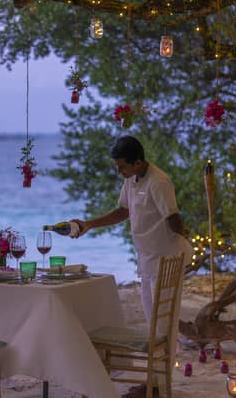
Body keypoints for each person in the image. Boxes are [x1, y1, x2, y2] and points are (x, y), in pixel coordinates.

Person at [71, 135, 191, 398]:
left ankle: (158, 385)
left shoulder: (159, 182)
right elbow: (122, 212)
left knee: (163, 326)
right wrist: (89, 224)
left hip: (167, 261)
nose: (118, 171)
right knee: (153, 323)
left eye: (122, 166)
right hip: (147, 260)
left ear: (138, 162)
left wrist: (185, 233)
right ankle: (154, 382)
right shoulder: (130, 179)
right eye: (117, 166)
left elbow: (173, 217)